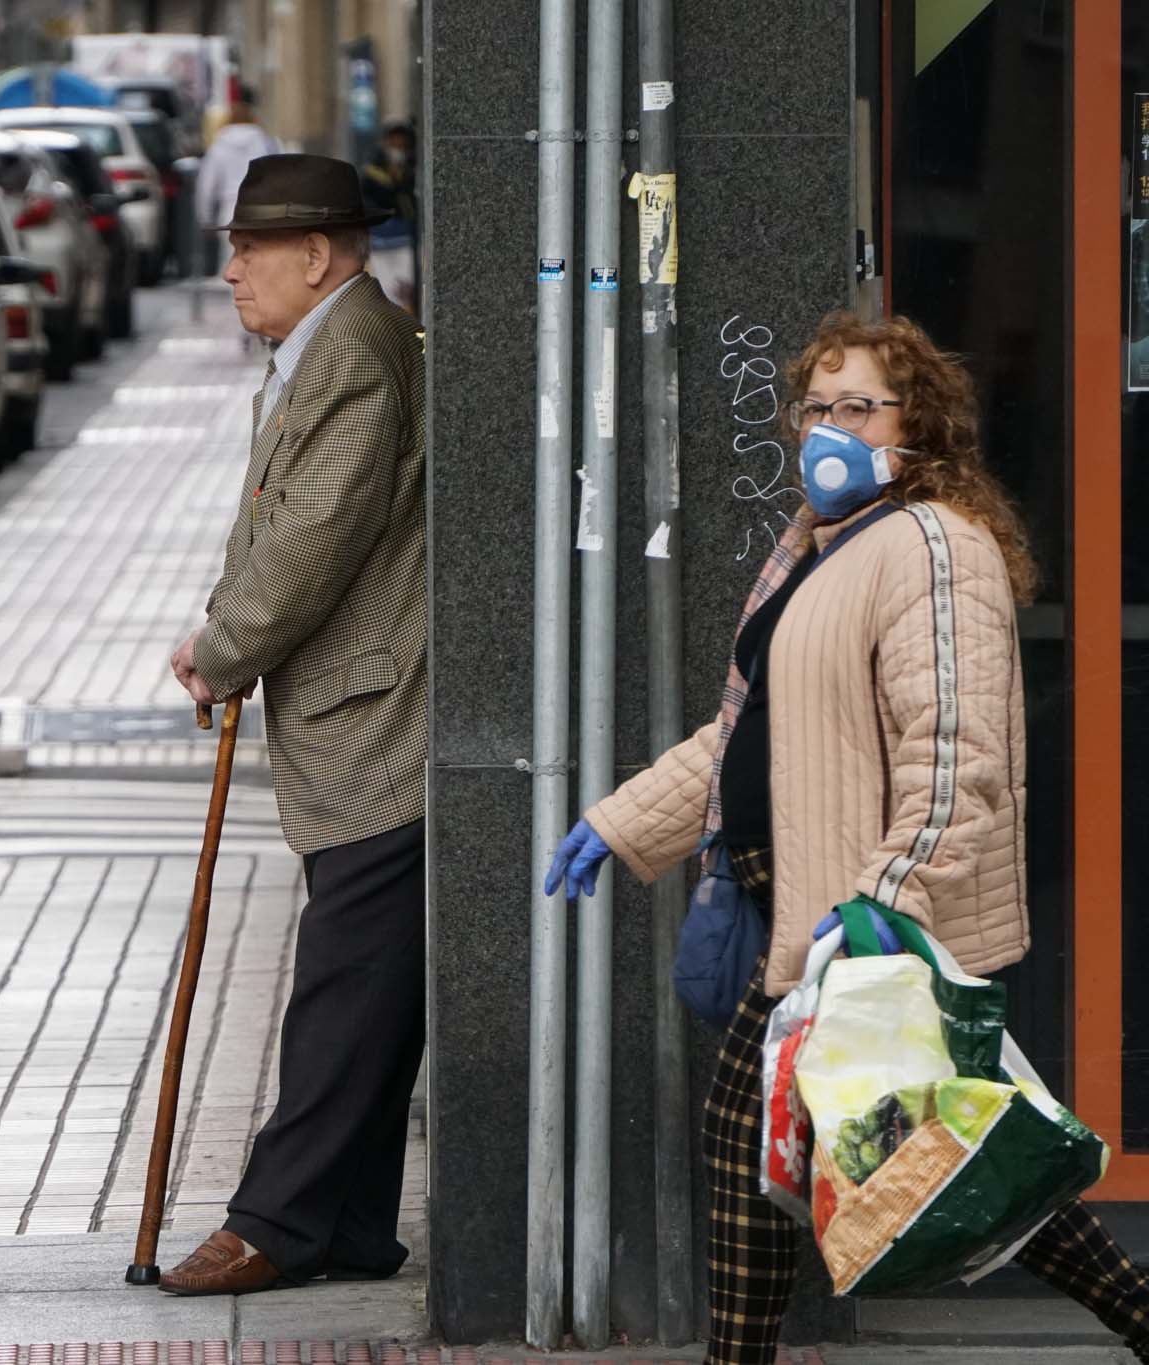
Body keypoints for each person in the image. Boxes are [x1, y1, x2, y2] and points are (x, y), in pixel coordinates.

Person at [543, 313, 1149, 1365]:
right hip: (804, 907)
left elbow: (954, 744)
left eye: (855, 407)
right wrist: (618, 821)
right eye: (813, 407)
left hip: (857, 917)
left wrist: (883, 900)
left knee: (793, 1149)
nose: (827, 427)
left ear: (915, 425)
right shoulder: (818, 547)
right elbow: (755, 731)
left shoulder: (932, 545)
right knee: (942, 1153)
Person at [162, 154, 425, 1297]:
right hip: (361, 716)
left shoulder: (353, 357)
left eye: (246, 250)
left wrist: (221, 648)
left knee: (343, 982)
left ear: (314, 255)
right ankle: (353, 1225)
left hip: (382, 726)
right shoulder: (324, 347)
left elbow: (313, 535)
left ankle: (277, 1218)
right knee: (373, 984)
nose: (228, 273)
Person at [193, 91, 281, 277]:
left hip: (229, 209)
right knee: (259, 265)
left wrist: (205, 217)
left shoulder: (219, 146)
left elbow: (207, 186)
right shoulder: (264, 142)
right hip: (260, 208)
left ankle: (236, 303)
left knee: (231, 263)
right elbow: (275, 175)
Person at [362, 122, 418, 317]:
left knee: (406, 291)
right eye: (394, 141)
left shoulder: (413, 168)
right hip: (380, 239)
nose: (398, 146)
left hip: (405, 239)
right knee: (387, 292)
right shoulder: (373, 171)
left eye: (402, 142)